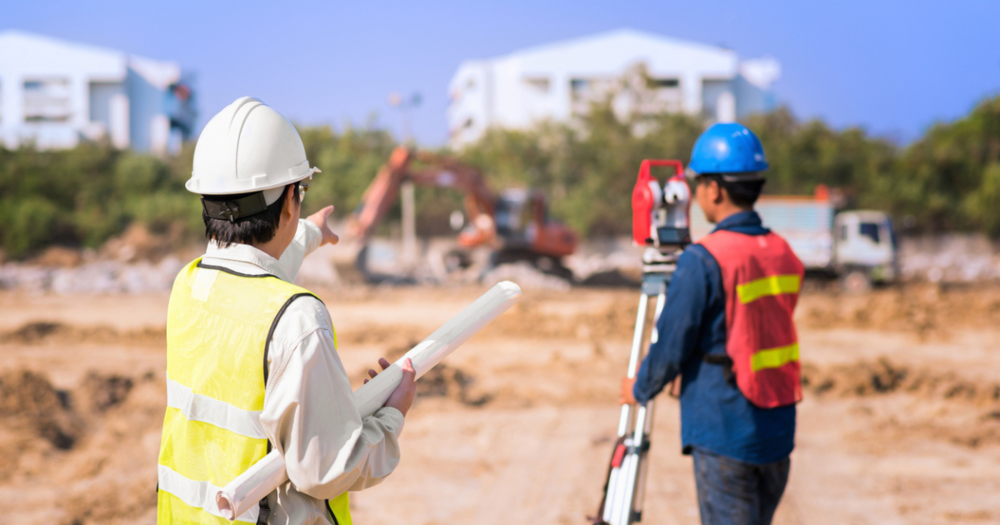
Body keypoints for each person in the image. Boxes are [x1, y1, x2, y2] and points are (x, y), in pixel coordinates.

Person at [157, 97, 415, 525]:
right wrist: (392, 414)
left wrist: (310, 233)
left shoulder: (191, 285)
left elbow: (253, 271)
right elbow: (326, 470)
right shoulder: (298, 321)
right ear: (291, 200)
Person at [620, 123, 804, 525]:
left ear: (714, 190)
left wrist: (639, 388)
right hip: (777, 429)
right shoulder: (782, 252)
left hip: (726, 430)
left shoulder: (705, 259)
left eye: (697, 182)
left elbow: (671, 344)